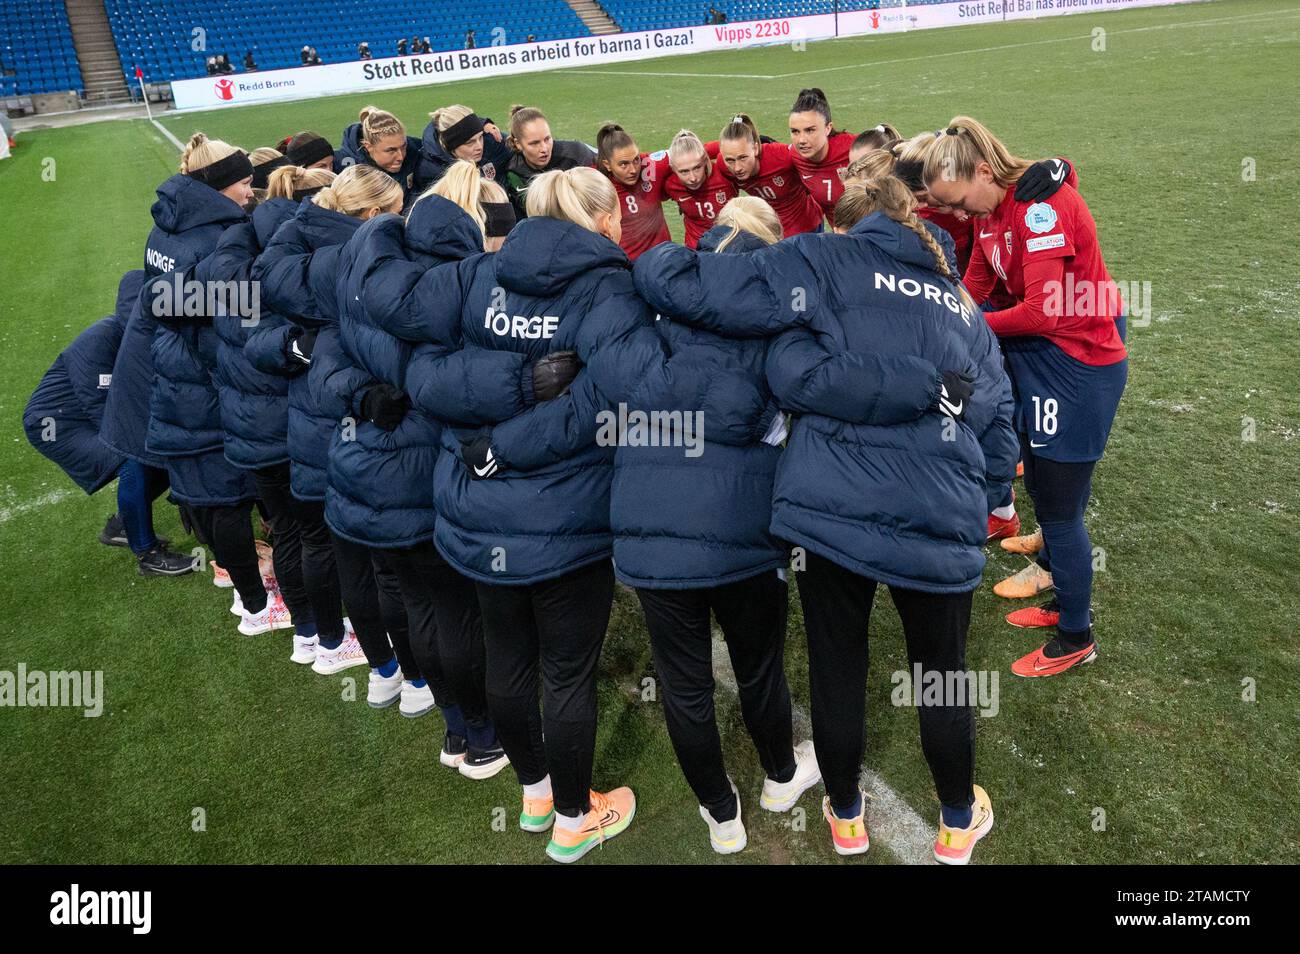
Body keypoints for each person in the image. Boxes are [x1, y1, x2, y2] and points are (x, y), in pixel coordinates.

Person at [633, 174, 1017, 864]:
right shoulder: (960, 305)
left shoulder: (821, 259)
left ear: (850, 227)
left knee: (838, 669)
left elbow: (704, 293)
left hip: (831, 512)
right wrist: (984, 495)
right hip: (940, 514)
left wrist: (653, 255)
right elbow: (994, 417)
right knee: (944, 675)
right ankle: (957, 822)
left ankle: (845, 816)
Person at [360, 166, 700, 862]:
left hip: (477, 512)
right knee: (565, 672)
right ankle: (575, 819)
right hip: (563, 521)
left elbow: (423, 367)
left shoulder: (481, 273)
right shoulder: (608, 288)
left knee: (509, 656)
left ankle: (537, 793)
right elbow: (630, 399)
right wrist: (515, 433)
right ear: (606, 223)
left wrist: (486, 446)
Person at [618, 195, 820, 853]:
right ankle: (781, 776)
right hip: (744, 528)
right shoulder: (783, 312)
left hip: (649, 525)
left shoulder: (651, 296)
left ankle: (721, 814)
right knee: (760, 666)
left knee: (682, 683)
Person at [328, 160, 516, 770]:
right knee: (454, 610)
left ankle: (456, 727)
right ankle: (483, 736)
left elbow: (332, 359)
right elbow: (456, 387)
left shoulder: (368, 268)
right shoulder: (442, 290)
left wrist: (362, 396)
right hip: (413, 472)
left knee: (418, 605)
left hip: (361, 464)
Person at [924, 117, 1127, 678]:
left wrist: (974, 321)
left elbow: (1043, 311)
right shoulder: (992, 213)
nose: (961, 216)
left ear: (984, 171)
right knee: (1039, 485)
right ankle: (1064, 600)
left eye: (961, 202)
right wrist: (950, 310)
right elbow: (979, 285)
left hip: (1079, 367)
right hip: (1046, 364)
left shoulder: (1038, 206)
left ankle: (1076, 635)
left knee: (1061, 511)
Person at [252, 165, 409, 681]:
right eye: (394, 211)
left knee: (330, 547)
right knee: (382, 565)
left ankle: (342, 648)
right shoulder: (363, 260)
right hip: (358, 422)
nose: (401, 220)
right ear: (369, 215)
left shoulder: (286, 254)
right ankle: (405, 673)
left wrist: (293, 347)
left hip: (308, 423)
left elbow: (252, 337)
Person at [143, 133, 288, 633]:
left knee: (207, 490)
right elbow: (232, 311)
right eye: (246, 184)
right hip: (205, 380)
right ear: (220, 185)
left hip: (176, 372)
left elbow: (158, 301)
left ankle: (238, 582)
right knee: (225, 495)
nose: (252, 193)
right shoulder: (216, 235)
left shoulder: (167, 227)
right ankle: (255, 606)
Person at [211, 163, 337, 664]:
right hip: (284, 428)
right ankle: (330, 638)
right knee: (317, 537)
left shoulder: (232, 254)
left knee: (288, 530)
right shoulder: (290, 266)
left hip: (246, 424)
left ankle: (305, 631)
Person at [24, 271, 137, 527]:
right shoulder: (101, 340)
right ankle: (142, 546)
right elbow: (98, 404)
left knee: (154, 453)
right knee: (133, 457)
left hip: (78, 413)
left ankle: (126, 522)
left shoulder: (129, 334)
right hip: (53, 424)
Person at [716, 113, 824, 237]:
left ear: (755, 148)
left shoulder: (781, 157)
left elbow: (815, 156)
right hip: (770, 231)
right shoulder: (723, 165)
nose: (737, 168)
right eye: (730, 160)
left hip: (807, 227)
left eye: (743, 158)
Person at [650, 128, 738, 249]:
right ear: (673, 169)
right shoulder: (669, 184)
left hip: (730, 245)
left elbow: (736, 146)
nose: (693, 178)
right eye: (684, 171)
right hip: (696, 250)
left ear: (705, 161)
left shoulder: (725, 173)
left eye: (697, 168)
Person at [503, 104, 596, 218]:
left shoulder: (576, 153)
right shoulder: (514, 172)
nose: (544, 149)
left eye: (547, 139)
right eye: (534, 143)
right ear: (518, 144)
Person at [594, 122, 669, 261]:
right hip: (627, 266)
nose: (633, 170)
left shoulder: (649, 166)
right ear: (607, 164)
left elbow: (691, 151)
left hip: (663, 260)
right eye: (624, 164)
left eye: (635, 160)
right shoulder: (596, 183)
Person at [338, 106, 425, 209]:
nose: (401, 157)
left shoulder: (413, 147)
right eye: (391, 150)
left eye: (403, 147)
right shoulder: (346, 170)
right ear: (368, 147)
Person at [788, 87, 856, 217]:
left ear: (828, 128)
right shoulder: (793, 155)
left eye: (810, 130)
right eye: (795, 131)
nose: (801, 140)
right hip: (840, 232)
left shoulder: (853, 147)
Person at [416, 104, 510, 191]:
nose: (479, 146)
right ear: (450, 146)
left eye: (480, 137)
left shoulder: (492, 142)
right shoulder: (431, 172)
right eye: (470, 143)